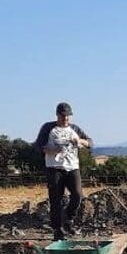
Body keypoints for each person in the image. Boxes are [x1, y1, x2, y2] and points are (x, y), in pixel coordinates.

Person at [33, 102, 92, 240]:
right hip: (54, 168)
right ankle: (57, 230)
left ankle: (68, 219)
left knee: (77, 195)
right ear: (57, 115)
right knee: (55, 200)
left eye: (68, 116)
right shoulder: (48, 128)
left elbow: (90, 142)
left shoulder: (75, 128)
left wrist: (80, 141)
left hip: (72, 167)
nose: (65, 119)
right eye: (63, 116)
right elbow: (38, 146)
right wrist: (51, 150)